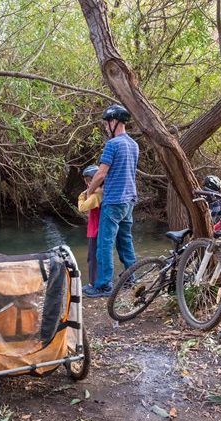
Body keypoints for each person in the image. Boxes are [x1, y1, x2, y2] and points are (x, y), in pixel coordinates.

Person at [81, 104, 138, 298]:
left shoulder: (112, 144)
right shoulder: (133, 145)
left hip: (113, 200)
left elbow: (101, 173)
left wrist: (89, 192)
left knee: (104, 244)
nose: (106, 127)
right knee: (125, 241)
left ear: (114, 122)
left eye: (107, 123)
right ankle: (131, 277)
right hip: (129, 200)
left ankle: (103, 285)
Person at [77, 165, 102, 285]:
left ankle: (94, 283)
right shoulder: (99, 191)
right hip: (96, 229)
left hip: (95, 230)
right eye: (86, 180)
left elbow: (82, 207)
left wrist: (81, 196)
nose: (87, 183)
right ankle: (96, 282)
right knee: (94, 258)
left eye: (89, 180)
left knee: (93, 259)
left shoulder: (97, 195)